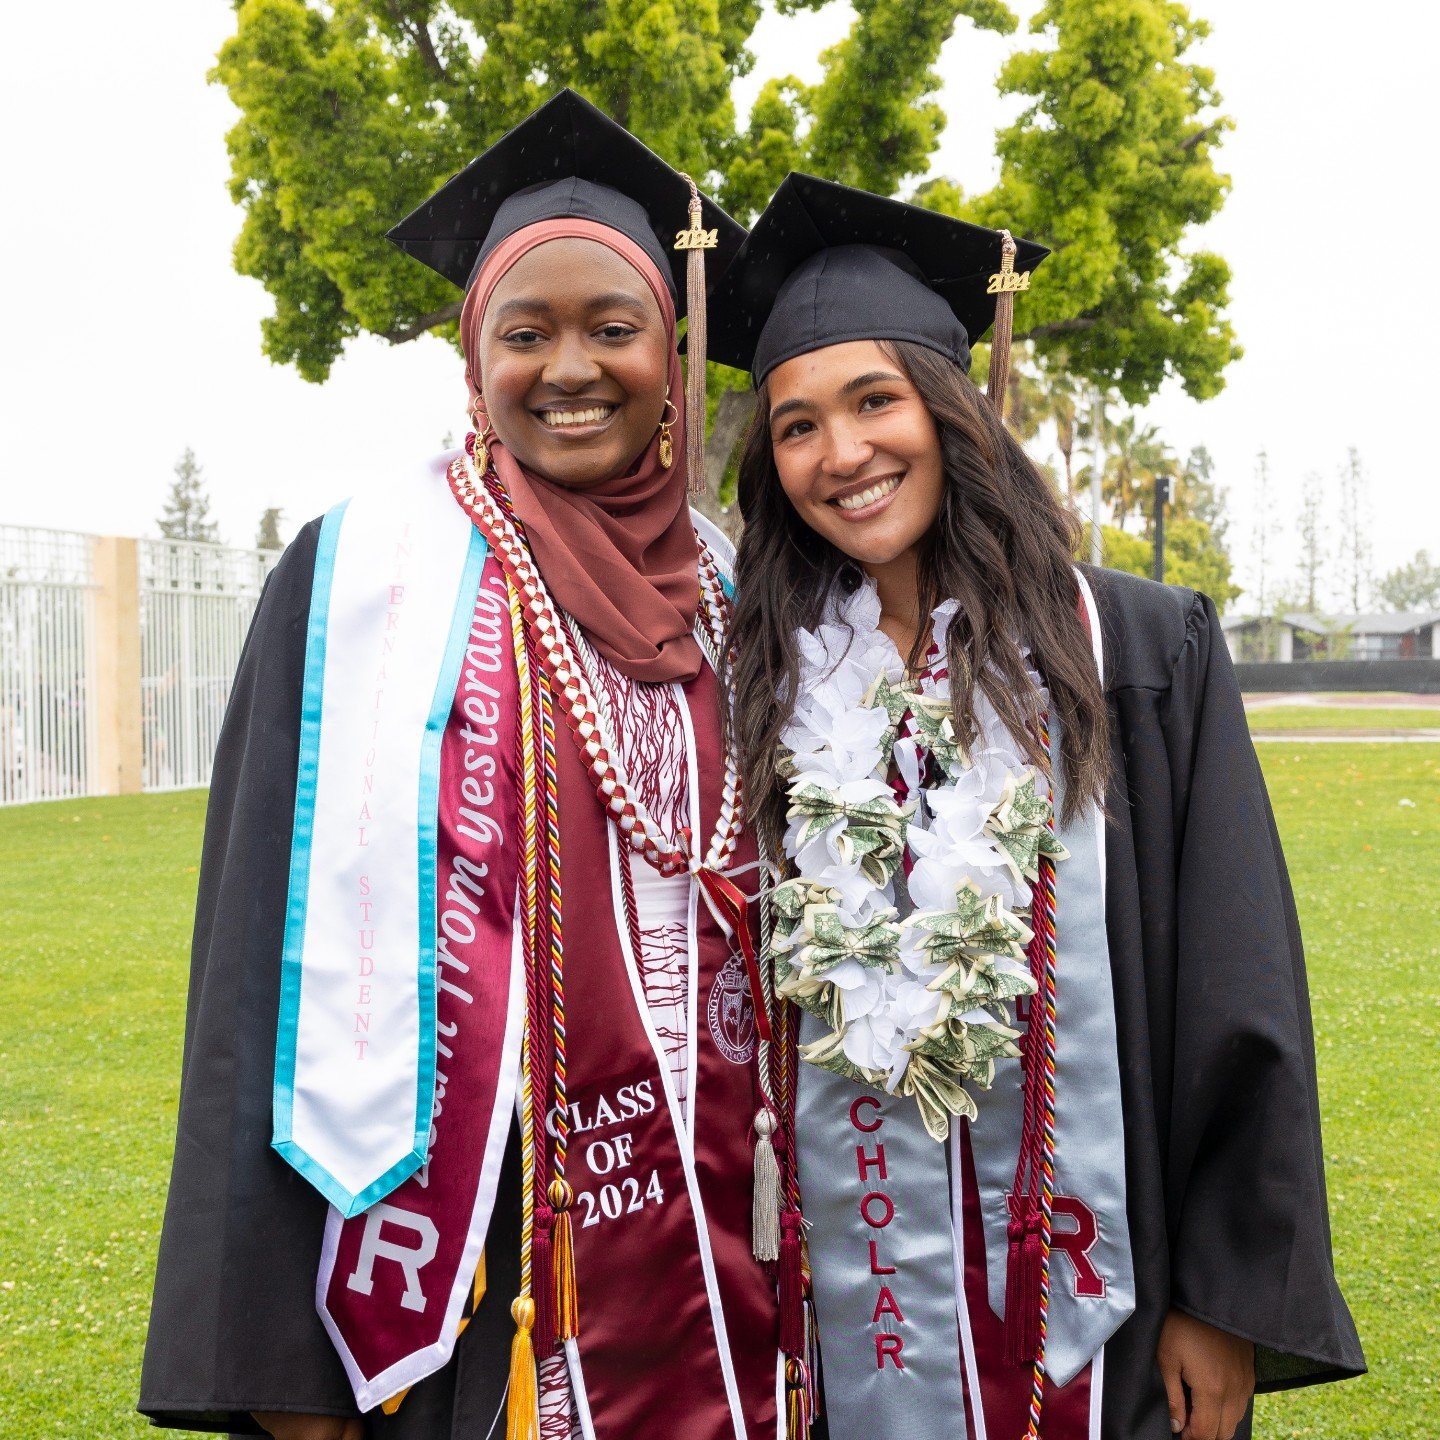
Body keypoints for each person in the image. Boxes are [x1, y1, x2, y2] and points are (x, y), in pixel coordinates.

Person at [141, 91, 790, 1440]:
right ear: (470, 358)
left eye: (614, 328)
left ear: (674, 355)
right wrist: (278, 1366)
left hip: (721, 1256)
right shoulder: (361, 578)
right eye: (525, 332)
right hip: (467, 1274)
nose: (571, 367)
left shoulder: (741, 591)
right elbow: (255, 960)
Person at [709, 173, 1364, 1440]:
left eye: (874, 401)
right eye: (795, 425)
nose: (839, 455)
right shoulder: (764, 675)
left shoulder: (1129, 645)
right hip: (844, 1322)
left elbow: (1237, 987)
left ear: (954, 411)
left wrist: (1220, 1301)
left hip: (1105, 1310)